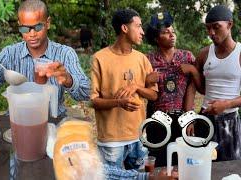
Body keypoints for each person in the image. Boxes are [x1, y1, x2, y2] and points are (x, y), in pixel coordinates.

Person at [0, 0, 90, 118]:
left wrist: (69, 79)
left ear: (48, 23)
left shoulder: (65, 54)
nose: (32, 34)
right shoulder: (10, 54)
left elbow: (86, 93)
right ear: (20, 26)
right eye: (25, 29)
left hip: (52, 121)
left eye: (37, 27)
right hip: (17, 121)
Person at [91, 8, 158, 172]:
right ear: (124, 28)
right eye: (138, 26)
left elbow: (154, 95)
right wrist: (119, 102)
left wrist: (136, 87)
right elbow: (93, 101)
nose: (142, 32)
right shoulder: (99, 58)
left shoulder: (142, 59)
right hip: (112, 141)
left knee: (140, 177)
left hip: (139, 137)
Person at [145, 12, 196, 167]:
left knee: (182, 163)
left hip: (182, 118)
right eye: (165, 32)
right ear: (156, 38)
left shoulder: (187, 57)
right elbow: (139, 88)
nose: (171, 35)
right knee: (158, 163)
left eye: (172, 31)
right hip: (157, 119)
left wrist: (193, 70)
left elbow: (197, 87)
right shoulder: (147, 60)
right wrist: (145, 80)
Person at [191, 5, 241, 161]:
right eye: (208, 28)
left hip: (230, 122)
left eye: (216, 27)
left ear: (230, 24)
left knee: (229, 169)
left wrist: (225, 105)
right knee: (200, 165)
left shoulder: (240, 53)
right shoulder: (205, 53)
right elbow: (196, 87)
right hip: (205, 119)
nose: (211, 33)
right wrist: (190, 117)